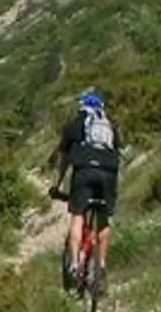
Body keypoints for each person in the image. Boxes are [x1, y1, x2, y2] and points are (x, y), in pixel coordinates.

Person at [49, 90, 120, 289]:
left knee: (78, 217)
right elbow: (116, 155)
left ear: (82, 106)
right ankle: (102, 267)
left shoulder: (74, 126)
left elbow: (64, 160)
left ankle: (73, 266)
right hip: (108, 175)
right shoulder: (111, 127)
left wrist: (57, 184)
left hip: (84, 173)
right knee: (104, 220)